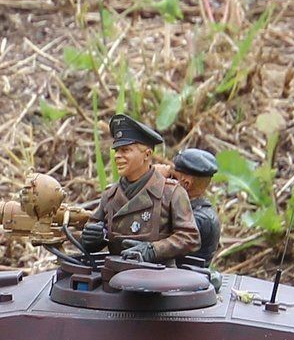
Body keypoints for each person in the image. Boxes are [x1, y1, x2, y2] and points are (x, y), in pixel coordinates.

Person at [81, 114, 197, 265]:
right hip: (115, 273)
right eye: (117, 151)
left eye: (125, 150)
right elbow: (90, 234)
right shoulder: (110, 195)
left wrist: (153, 250)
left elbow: (190, 238)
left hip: (159, 274)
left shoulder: (171, 193)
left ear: (147, 155)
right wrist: (93, 238)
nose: (117, 156)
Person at [169, 148, 220, 268]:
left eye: (173, 178)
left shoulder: (199, 219)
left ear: (186, 184)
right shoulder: (192, 210)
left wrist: (154, 182)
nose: (167, 182)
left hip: (184, 277)